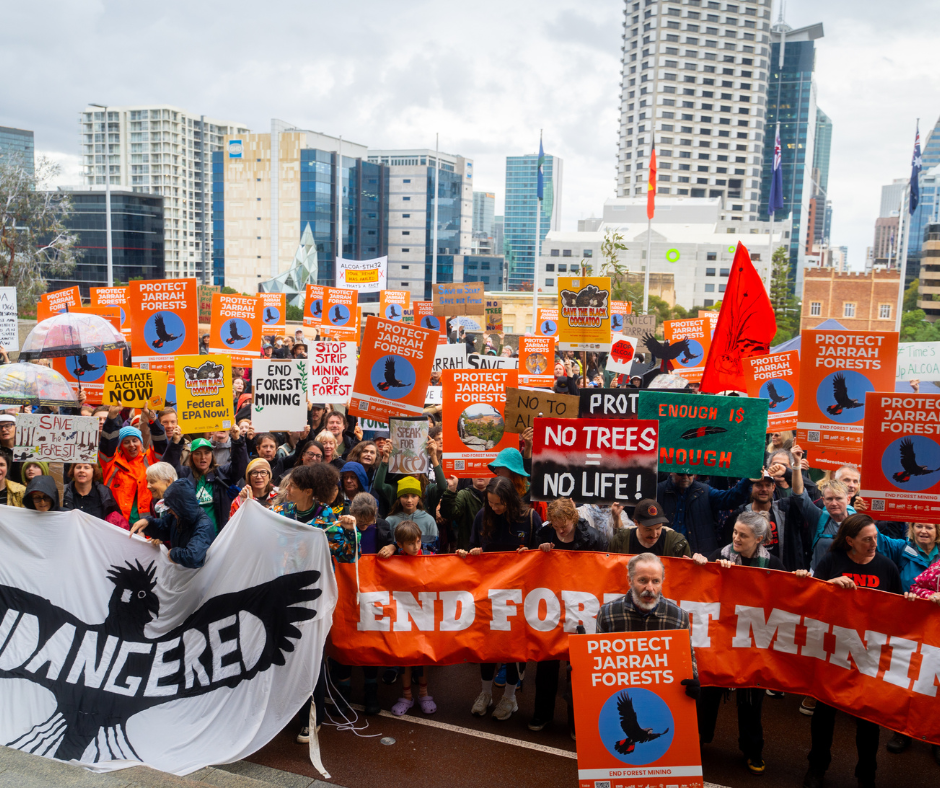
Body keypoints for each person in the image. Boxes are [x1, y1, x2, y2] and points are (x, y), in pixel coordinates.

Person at [797, 514, 901, 788]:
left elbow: (900, 611)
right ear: (850, 541)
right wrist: (829, 585)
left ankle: (867, 774)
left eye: (875, 538)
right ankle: (817, 767)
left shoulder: (887, 567)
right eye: (867, 539)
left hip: (869, 655)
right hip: (834, 651)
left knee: (867, 720)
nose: (873, 544)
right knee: (824, 714)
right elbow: (812, 600)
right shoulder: (832, 562)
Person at [271, 463, 358, 744]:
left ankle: (313, 718)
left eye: (293, 486)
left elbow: (347, 557)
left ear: (308, 491)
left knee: (310, 658)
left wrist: (349, 531)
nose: (287, 489)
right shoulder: (281, 514)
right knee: (285, 654)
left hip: (314, 599)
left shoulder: (328, 519)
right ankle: (285, 711)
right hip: (284, 595)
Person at [693, 511, 784, 775]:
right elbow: (700, 583)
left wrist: (798, 576)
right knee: (708, 690)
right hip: (720, 638)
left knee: (750, 699)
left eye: (743, 535)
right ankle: (699, 739)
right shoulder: (719, 555)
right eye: (734, 532)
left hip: (751, 641)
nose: (736, 538)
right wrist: (700, 562)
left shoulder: (773, 564)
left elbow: (784, 596)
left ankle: (753, 749)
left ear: (758, 539)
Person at [458, 477, 542, 720]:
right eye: (491, 503)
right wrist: (472, 552)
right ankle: (485, 694)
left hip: (519, 594)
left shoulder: (529, 517)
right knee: (488, 647)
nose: (495, 508)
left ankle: (510, 697)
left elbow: (541, 556)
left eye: (499, 504)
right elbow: (474, 546)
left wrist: (530, 553)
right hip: (489, 593)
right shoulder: (482, 516)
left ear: (510, 499)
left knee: (513, 649)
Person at [527, 498, 606, 732]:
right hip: (551, 610)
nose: (560, 530)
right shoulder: (545, 534)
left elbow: (606, 567)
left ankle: (577, 723)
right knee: (546, 668)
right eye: (556, 525)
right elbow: (529, 563)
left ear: (574, 518)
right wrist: (538, 552)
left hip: (581, 609)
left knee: (578, 670)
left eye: (564, 525)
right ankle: (542, 715)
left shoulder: (593, 537)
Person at [378, 520, 437, 716]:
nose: (416, 546)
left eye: (418, 541)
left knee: (422, 658)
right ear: (400, 545)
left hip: (424, 618)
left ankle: (424, 694)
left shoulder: (431, 558)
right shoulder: (393, 561)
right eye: (410, 543)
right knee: (404, 660)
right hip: (402, 619)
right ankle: (406, 697)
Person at [723, 471, 806, 570]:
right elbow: (728, 546)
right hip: (748, 573)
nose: (764, 489)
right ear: (751, 487)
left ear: (773, 487)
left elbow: (799, 494)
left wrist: (790, 469)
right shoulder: (739, 515)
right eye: (759, 485)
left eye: (768, 485)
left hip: (781, 572)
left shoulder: (786, 509)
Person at [171, 425, 247, 533]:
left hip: (218, 536)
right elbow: (169, 469)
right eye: (198, 453)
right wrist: (175, 443)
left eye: (207, 453)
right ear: (191, 456)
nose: (203, 458)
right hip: (192, 538)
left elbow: (240, 466)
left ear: (212, 455)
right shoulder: (184, 475)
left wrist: (237, 440)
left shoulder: (222, 474)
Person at [99, 406, 169, 524]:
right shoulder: (111, 463)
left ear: (141, 443)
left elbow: (161, 442)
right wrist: (111, 418)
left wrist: (153, 419)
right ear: (120, 446)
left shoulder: (150, 461)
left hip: (146, 527)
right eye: (126, 442)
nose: (131, 445)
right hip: (117, 526)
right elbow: (107, 442)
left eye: (135, 440)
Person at [655, 472, 752, 556]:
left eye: (689, 474)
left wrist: (747, 480)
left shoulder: (704, 491)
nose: (685, 477)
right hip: (665, 554)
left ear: (695, 474)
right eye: (680, 474)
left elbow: (730, 499)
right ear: (671, 472)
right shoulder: (657, 491)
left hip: (699, 557)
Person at [129, 477, 215, 569]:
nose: (169, 511)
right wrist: (148, 522)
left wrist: (173, 554)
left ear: (182, 506)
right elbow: (163, 527)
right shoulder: (178, 517)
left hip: (199, 578)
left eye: (171, 507)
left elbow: (193, 556)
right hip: (181, 575)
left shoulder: (204, 525)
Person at [610, 498, 691, 557]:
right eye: (648, 529)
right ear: (636, 523)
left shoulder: (676, 543)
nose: (654, 534)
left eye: (658, 528)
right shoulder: (621, 541)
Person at [385, 477, 440, 553]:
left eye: (414, 496)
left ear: (419, 498)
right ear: (399, 498)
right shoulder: (390, 520)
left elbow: (434, 547)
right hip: (397, 563)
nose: (409, 500)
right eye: (405, 496)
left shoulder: (429, 520)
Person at [63, 463, 127, 527]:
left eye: (86, 467)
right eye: (78, 467)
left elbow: (118, 520)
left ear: (93, 471)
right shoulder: (63, 492)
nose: (81, 470)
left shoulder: (104, 493)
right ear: (73, 471)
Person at [441, 476, 488, 551]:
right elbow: (449, 513)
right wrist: (451, 490)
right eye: (476, 471)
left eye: (483, 471)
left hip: (491, 551)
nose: (480, 475)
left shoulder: (496, 493)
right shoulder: (464, 495)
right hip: (467, 551)